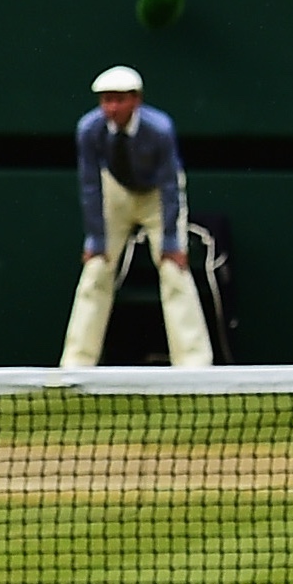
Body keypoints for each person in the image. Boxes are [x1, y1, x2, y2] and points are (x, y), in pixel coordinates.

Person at [61, 65, 212, 368]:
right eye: (106, 100)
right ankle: (76, 364)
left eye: (119, 100)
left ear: (136, 100)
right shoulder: (89, 129)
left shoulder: (160, 129)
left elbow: (170, 184)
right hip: (115, 194)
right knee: (96, 269)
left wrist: (170, 240)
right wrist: (96, 239)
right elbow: (90, 185)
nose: (111, 108)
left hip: (157, 197)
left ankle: (194, 364)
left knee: (173, 269)